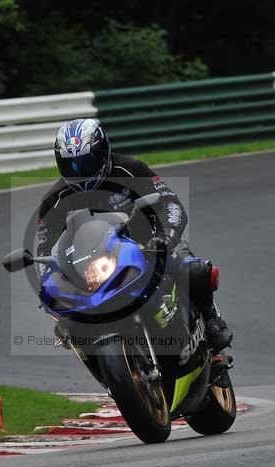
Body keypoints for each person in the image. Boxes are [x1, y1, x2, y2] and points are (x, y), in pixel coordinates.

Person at [36, 118, 233, 367]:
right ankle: (109, 372)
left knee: (193, 271)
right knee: (67, 323)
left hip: (149, 245)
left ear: (103, 151)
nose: (79, 171)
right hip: (93, 265)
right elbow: (43, 247)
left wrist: (167, 237)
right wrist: (48, 277)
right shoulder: (55, 199)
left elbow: (171, 204)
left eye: (86, 163)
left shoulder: (130, 169)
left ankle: (211, 319)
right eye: (71, 165)